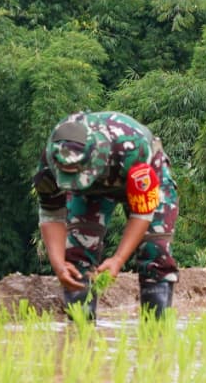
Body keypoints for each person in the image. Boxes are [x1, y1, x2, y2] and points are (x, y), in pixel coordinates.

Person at [33, 111, 179, 321]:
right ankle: (80, 335)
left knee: (155, 250)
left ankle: (156, 334)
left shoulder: (131, 149)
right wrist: (58, 263)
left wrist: (118, 259)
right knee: (76, 255)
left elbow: (143, 211)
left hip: (141, 174)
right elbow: (51, 212)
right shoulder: (50, 162)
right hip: (91, 192)